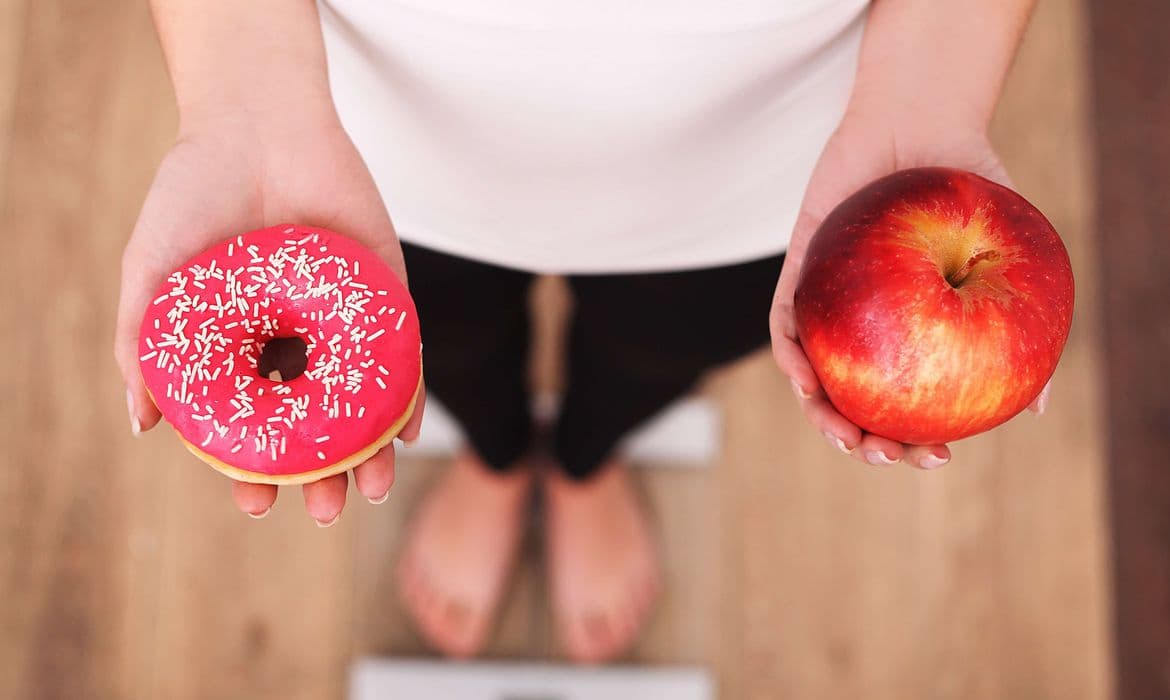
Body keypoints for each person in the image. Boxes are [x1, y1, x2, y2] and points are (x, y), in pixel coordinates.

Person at [115, 0, 1049, 663]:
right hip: (352, 145)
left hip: (786, 162)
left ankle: (585, 460)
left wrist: (932, 94)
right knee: (448, 345)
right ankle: (495, 452)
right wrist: (240, 95)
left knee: (659, 350)